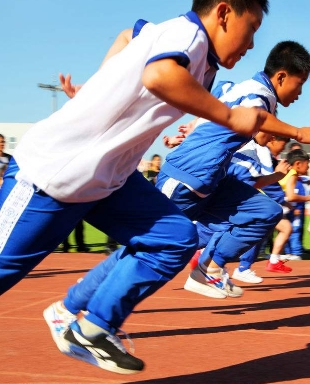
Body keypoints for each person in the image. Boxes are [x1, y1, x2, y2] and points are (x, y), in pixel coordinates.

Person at [3, 1, 271, 374]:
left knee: (174, 238)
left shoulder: (192, 52)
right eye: (253, 27)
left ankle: (94, 328)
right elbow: (159, 75)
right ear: (224, 13)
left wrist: (100, 86)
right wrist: (229, 116)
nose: (252, 44)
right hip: (52, 175)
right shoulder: (188, 34)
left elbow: (128, 35)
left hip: (109, 179)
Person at [154, 40, 310, 298]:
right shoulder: (260, 95)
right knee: (151, 252)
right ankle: (77, 305)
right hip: (184, 179)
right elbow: (254, 116)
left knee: (265, 210)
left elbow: (213, 102)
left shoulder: (239, 87)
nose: (300, 93)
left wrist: (193, 127)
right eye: (299, 84)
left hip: (210, 181)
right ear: (281, 77)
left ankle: (209, 270)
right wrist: (298, 132)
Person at [227, 135, 294, 282]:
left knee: (264, 229)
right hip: (241, 197)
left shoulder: (261, 151)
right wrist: (281, 200)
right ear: (273, 139)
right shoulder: (261, 151)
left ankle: (237, 266)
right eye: (282, 144)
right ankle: (239, 267)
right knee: (259, 227)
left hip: (241, 196)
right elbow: (265, 181)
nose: (283, 148)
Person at [283, 149, 310, 259]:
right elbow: (292, 196)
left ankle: (286, 253)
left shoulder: (287, 173)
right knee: (294, 230)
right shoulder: (293, 175)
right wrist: (309, 198)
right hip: (287, 208)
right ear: (298, 164)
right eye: (307, 164)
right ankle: (295, 252)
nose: (308, 167)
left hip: (283, 207)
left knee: (286, 230)